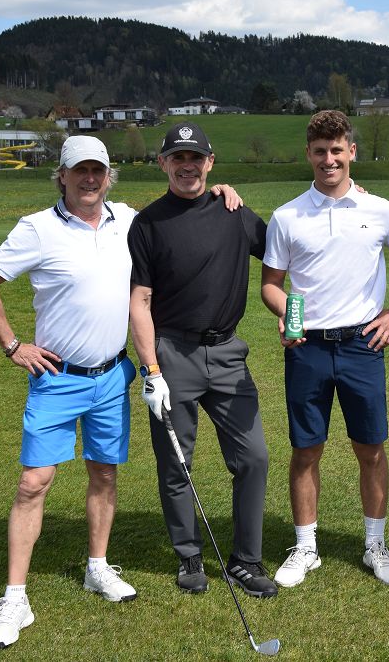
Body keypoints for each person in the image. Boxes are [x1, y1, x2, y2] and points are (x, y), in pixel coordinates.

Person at [0, 136, 138, 650]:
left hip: (112, 376)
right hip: (57, 379)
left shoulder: (128, 220)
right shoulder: (37, 228)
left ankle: (97, 566)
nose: (89, 179)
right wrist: (12, 345)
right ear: (61, 175)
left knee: (104, 473)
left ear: (108, 176)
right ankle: (15, 598)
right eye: (79, 170)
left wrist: (221, 191)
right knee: (33, 483)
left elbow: (180, 215)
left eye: (97, 170)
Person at [261, 110, 389, 589]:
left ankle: (375, 544)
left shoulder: (380, 210)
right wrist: (286, 314)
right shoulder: (287, 216)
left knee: (370, 449)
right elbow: (271, 284)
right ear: (308, 154)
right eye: (320, 151)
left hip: (361, 346)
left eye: (337, 150)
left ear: (351, 151)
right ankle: (305, 546)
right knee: (305, 450)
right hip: (307, 348)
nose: (328, 159)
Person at [127, 121, 278, 599]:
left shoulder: (234, 212)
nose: (187, 166)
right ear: (163, 164)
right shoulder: (147, 223)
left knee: (253, 457)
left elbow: (284, 250)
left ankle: (246, 560)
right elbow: (140, 301)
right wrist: (151, 370)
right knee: (177, 463)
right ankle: (189, 555)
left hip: (229, 353)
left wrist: (349, 197)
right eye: (178, 158)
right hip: (173, 353)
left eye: (196, 158)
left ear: (210, 163)